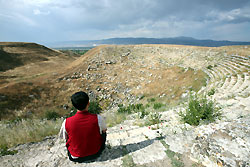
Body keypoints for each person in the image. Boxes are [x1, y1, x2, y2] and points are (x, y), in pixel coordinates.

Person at [59, 91, 107, 162]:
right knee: (103, 133)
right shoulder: (98, 118)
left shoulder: (66, 122)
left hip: (75, 157)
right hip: (96, 153)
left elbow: (64, 137)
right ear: (88, 103)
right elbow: (104, 131)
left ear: (74, 105)